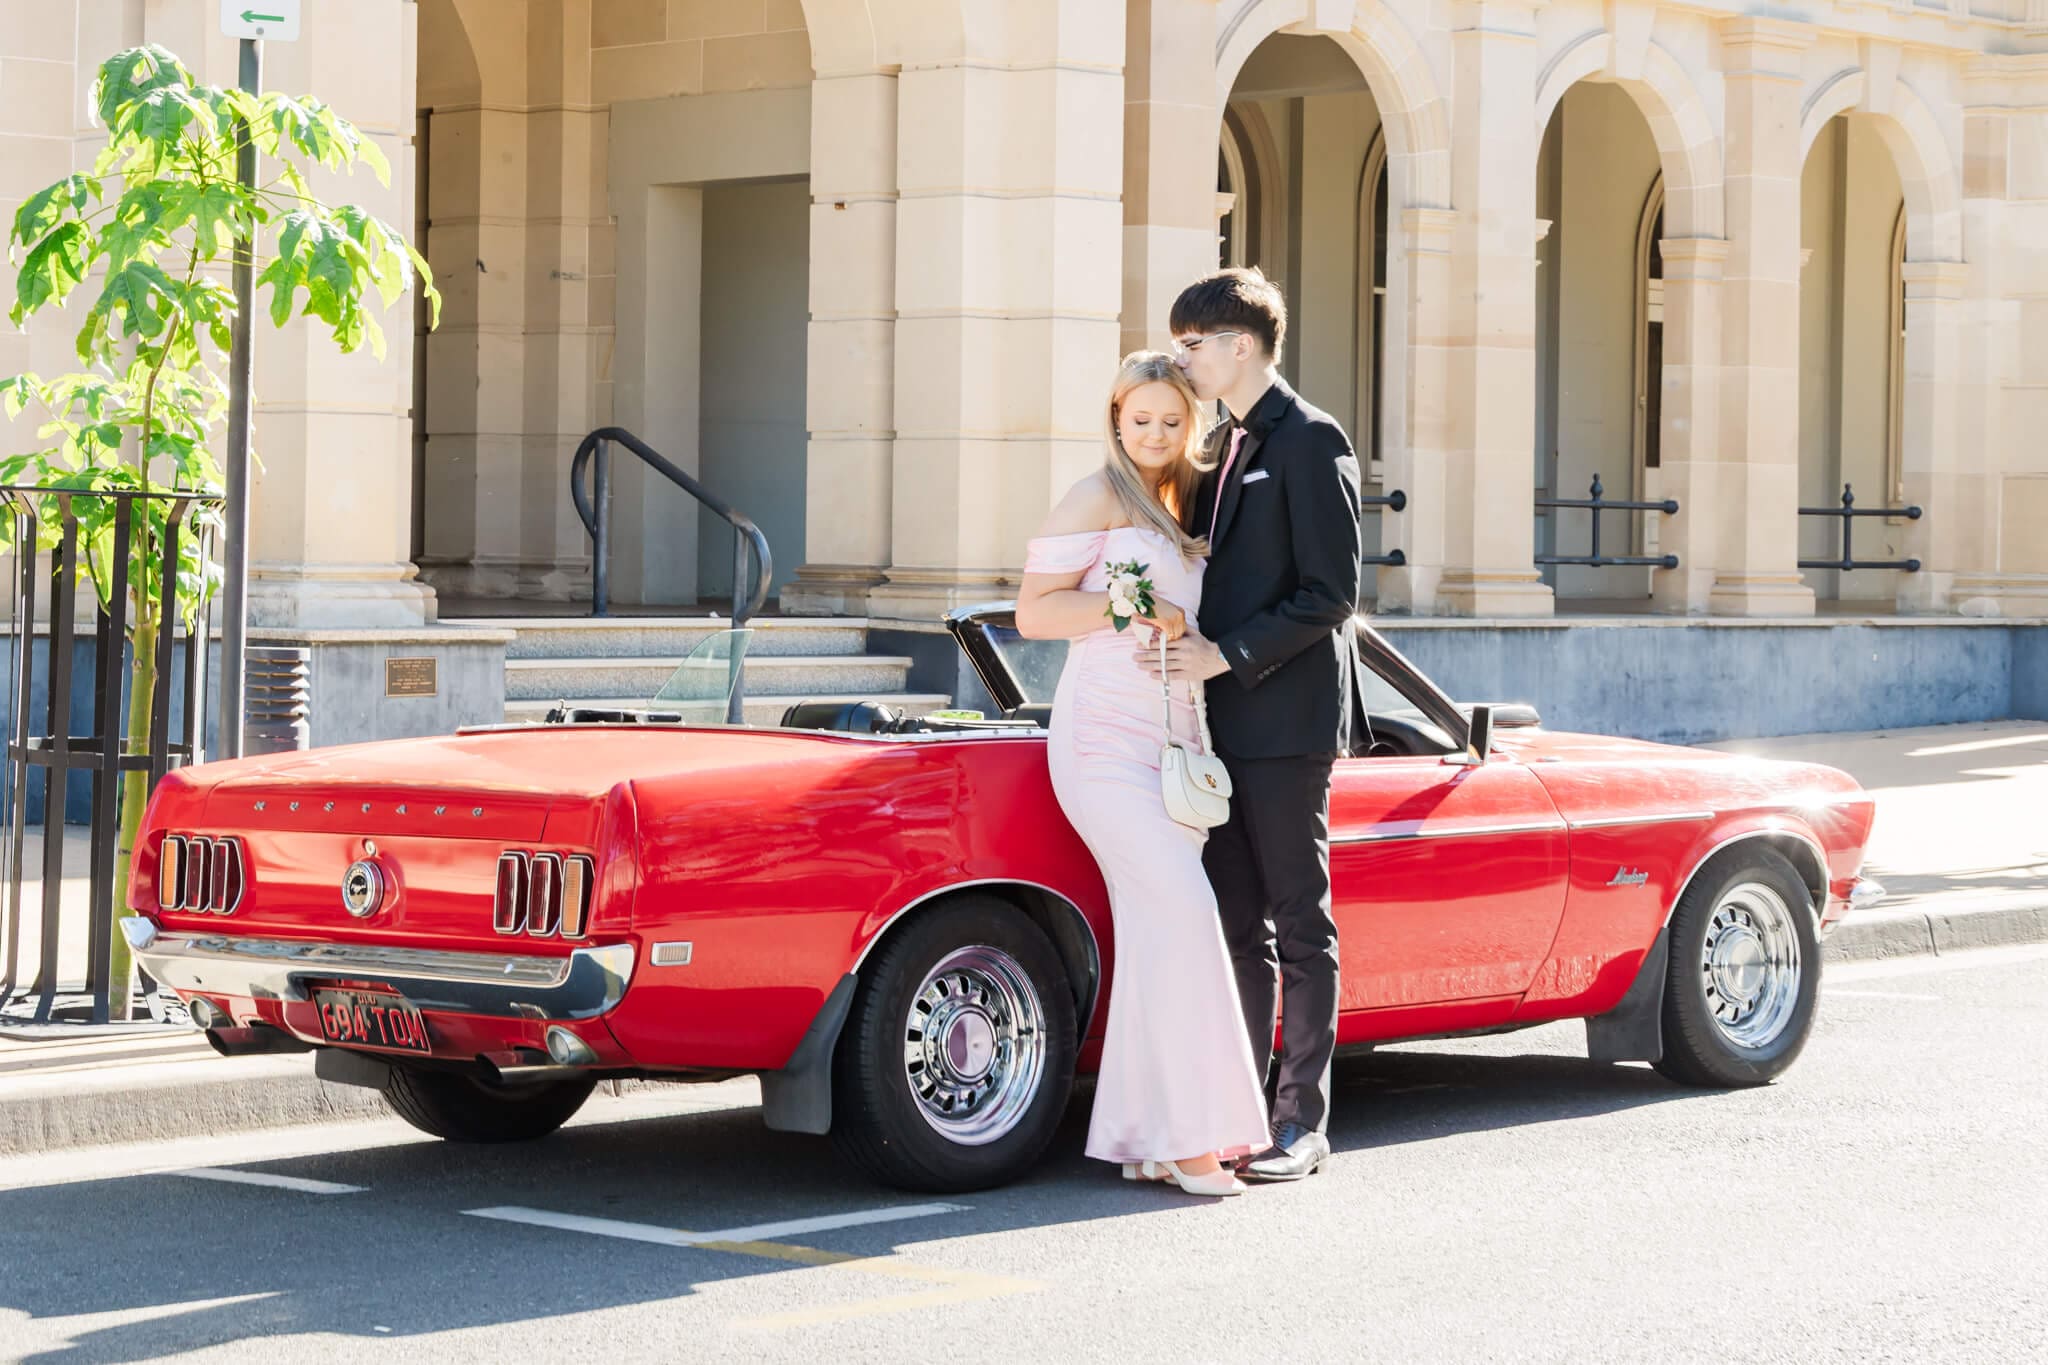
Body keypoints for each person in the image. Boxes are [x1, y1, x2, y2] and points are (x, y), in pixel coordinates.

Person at [1016, 350, 1271, 1198]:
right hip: (1101, 741)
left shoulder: (1187, 501)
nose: (1155, 435)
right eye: (1141, 420)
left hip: (1174, 745)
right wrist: (1124, 605)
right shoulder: (1095, 493)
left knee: (1162, 934)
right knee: (1188, 916)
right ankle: (1193, 1140)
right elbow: (1034, 610)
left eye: (1171, 421)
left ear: (1189, 424)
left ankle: (1150, 1137)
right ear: (1116, 417)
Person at [1141, 266, 1362, 1182]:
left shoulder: (1311, 440)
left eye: (1192, 342)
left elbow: (1332, 593)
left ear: (1239, 344)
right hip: (1215, 724)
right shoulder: (1217, 444)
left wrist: (1225, 656)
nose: (1182, 356)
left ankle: (1301, 1123)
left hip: (1285, 719)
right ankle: (1237, 1110)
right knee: (1235, 924)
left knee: (1297, 919)